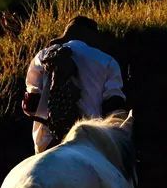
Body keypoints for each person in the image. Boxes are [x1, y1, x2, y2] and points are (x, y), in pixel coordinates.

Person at [22, 16, 127, 153]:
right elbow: (113, 107)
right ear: (92, 38)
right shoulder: (107, 61)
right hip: (90, 139)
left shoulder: (42, 56)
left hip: (47, 142)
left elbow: (31, 106)